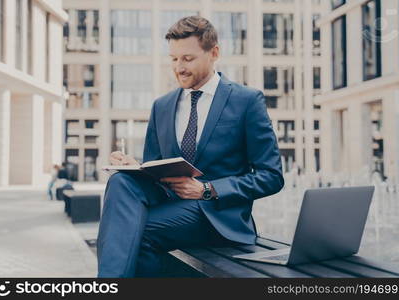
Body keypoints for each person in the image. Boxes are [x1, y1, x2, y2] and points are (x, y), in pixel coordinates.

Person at [97, 16, 284, 278]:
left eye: (188, 59)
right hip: (170, 203)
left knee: (134, 232)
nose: (179, 68)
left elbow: (272, 177)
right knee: (119, 182)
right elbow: (155, 168)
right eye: (174, 59)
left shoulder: (246, 101)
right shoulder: (162, 105)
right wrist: (133, 167)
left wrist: (207, 189)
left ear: (214, 53)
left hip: (216, 215)